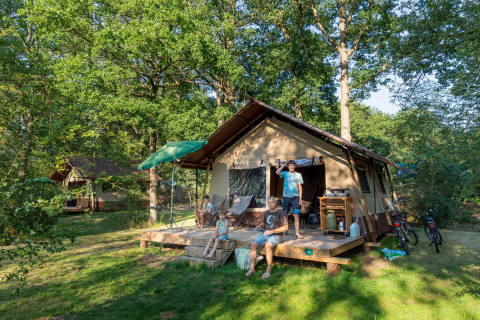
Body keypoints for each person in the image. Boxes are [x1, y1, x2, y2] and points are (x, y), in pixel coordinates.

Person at [245, 196, 288, 279]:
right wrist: (259, 226)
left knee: (268, 245)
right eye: (269, 202)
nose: (270, 204)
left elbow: (285, 227)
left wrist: (272, 231)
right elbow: (264, 224)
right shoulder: (267, 212)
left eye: (272, 202)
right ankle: (252, 268)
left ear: (275, 203)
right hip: (266, 233)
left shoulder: (280, 213)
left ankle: (268, 270)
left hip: (276, 235)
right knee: (253, 244)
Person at [276, 160, 304, 239]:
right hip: (286, 197)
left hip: (295, 197)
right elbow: (277, 172)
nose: (291, 167)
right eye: (289, 166)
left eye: (292, 165)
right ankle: (286, 230)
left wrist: (300, 198)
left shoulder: (298, 175)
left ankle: (297, 233)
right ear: (288, 167)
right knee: (285, 214)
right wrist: (283, 165)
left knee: (296, 214)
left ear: (294, 166)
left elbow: (300, 187)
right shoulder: (285, 173)